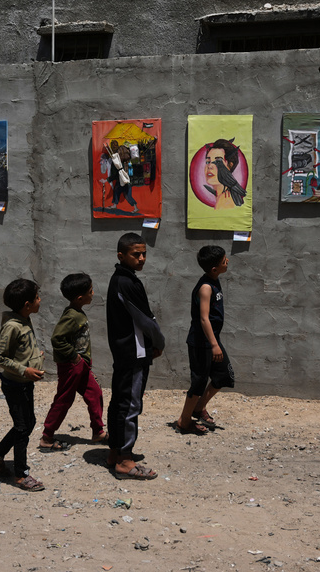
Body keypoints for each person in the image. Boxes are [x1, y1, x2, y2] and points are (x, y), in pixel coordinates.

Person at [105, 233, 164, 479]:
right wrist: (159, 342)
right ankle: (126, 460)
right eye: (135, 254)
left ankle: (115, 452)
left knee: (119, 401)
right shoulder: (127, 283)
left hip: (124, 351)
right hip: (134, 352)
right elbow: (145, 320)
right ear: (121, 256)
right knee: (130, 405)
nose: (141, 259)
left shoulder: (121, 279)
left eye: (144, 254)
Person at [0, 278, 46, 491]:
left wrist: (35, 358)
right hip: (14, 384)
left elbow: (21, 350)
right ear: (27, 304)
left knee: (27, 423)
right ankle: (21, 475)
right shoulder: (12, 326)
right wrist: (25, 369)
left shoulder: (24, 318)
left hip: (24, 383)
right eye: (37, 297)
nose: (40, 300)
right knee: (22, 427)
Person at [39, 273, 108, 450]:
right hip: (71, 366)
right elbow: (57, 338)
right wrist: (74, 356)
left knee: (95, 393)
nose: (93, 293)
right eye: (90, 291)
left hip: (81, 366)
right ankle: (47, 437)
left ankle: (98, 431)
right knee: (64, 399)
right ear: (80, 298)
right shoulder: (72, 316)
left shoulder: (77, 312)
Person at [175, 245, 235, 434]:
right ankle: (184, 421)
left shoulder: (215, 280)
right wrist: (214, 344)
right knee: (199, 381)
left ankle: (199, 408)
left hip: (212, 340)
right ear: (214, 269)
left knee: (224, 374)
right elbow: (203, 318)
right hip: (201, 343)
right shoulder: (206, 287)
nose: (228, 262)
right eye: (224, 260)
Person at [203, 138, 246, 209]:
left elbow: (231, 184)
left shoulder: (225, 202)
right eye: (208, 162)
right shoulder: (220, 198)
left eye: (217, 160)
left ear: (230, 165)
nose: (210, 166)